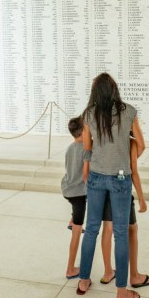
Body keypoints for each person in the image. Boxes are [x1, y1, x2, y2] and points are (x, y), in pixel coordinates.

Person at [76, 72, 145, 298]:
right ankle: (122, 292)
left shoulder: (89, 114)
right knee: (121, 233)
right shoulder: (129, 111)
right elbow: (141, 144)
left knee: (92, 229)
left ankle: (83, 280)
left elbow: (87, 147)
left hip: (95, 176)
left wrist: (87, 169)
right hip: (120, 178)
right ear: (114, 89)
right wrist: (124, 158)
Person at [99, 132, 149, 288]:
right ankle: (135, 276)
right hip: (122, 189)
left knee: (108, 228)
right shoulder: (130, 143)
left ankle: (107, 272)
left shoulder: (106, 138)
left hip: (104, 187)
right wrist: (142, 199)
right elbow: (134, 171)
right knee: (132, 229)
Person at [61, 115, 87, 280]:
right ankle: (70, 268)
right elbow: (85, 176)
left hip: (66, 189)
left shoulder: (70, 147)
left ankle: (72, 220)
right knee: (77, 232)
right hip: (78, 193)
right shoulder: (86, 149)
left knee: (76, 208)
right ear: (83, 132)